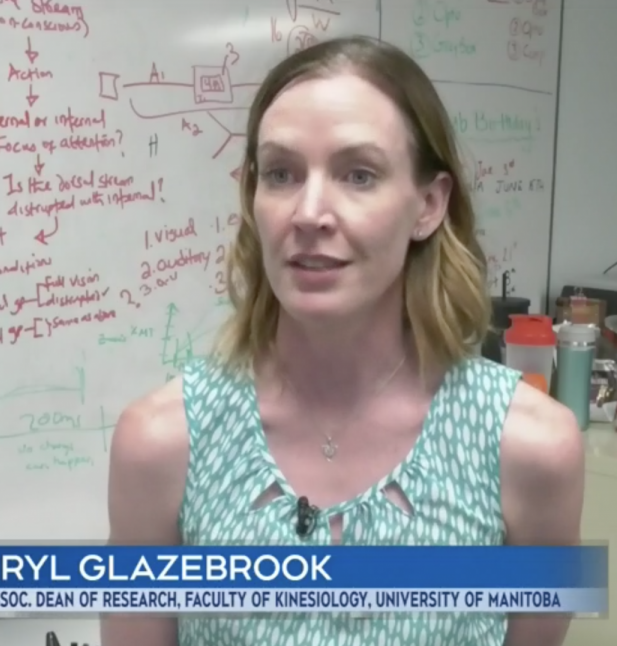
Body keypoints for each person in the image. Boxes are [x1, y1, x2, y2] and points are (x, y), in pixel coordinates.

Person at [104, 35, 584, 646]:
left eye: (359, 175)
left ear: (428, 205)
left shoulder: (529, 448)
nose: (309, 213)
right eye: (281, 173)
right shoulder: (163, 443)